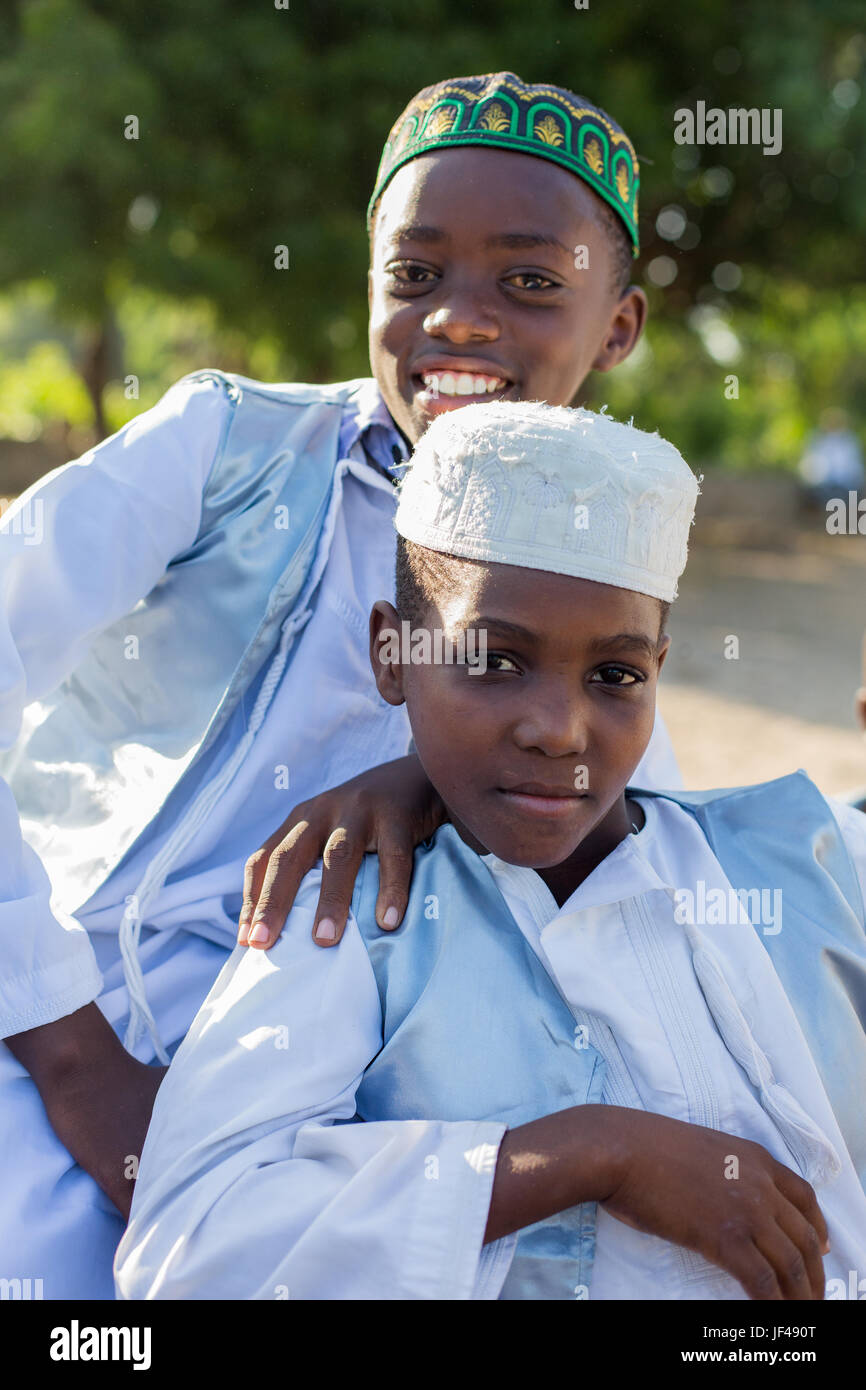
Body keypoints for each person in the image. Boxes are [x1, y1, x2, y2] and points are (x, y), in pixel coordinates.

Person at [0, 73, 676, 1298]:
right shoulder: (223, 451)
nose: (458, 321)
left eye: (527, 282)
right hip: (79, 1027)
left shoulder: (606, 559)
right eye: (414, 276)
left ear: (616, 326)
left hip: (365, 1091)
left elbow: (629, 840)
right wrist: (74, 1058)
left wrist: (429, 775)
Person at [115, 401, 866, 1302]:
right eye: (494, 661)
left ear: (658, 671)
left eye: (614, 676)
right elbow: (193, 1250)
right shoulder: (346, 912)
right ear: (392, 654)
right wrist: (591, 1154)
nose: (558, 729)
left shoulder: (812, 859)